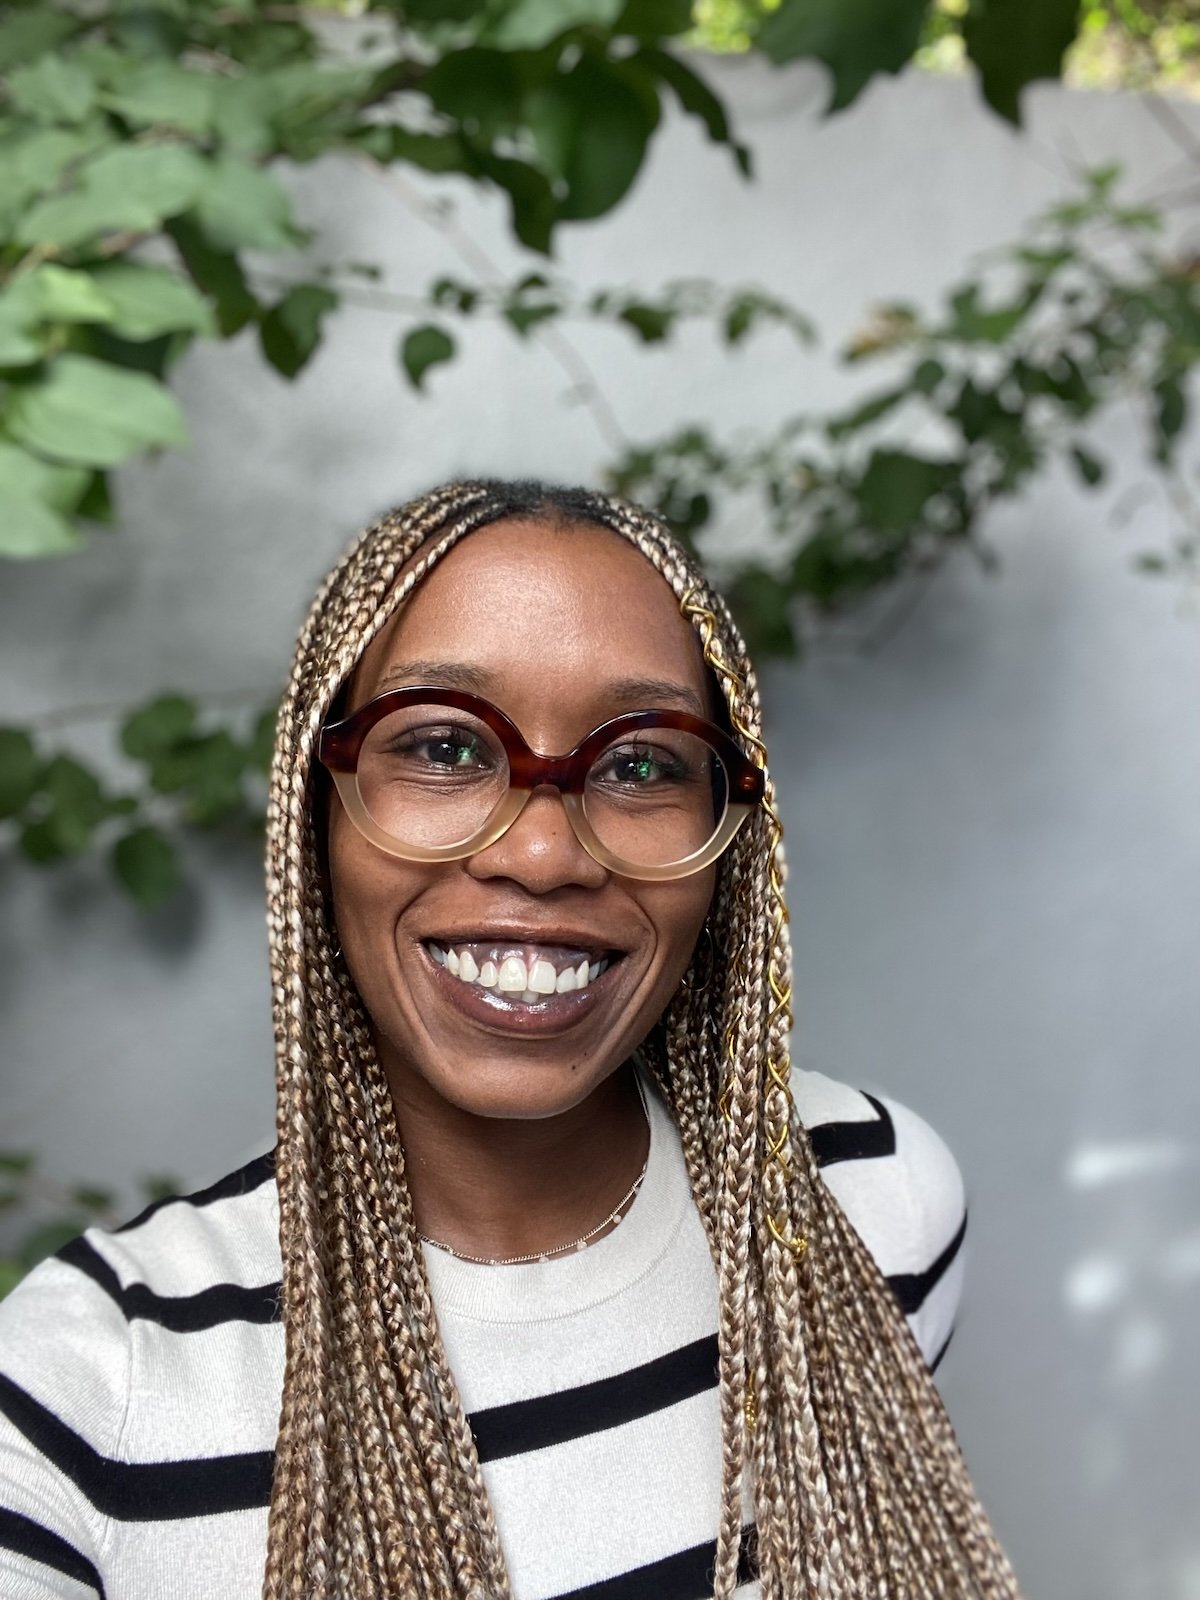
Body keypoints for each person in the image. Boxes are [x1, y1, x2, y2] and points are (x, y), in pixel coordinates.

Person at [0, 480, 1022, 1599]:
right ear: (319, 802)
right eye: (443, 746)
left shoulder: (865, 1204)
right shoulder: (85, 1394)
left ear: (729, 833)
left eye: (640, 763)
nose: (542, 854)